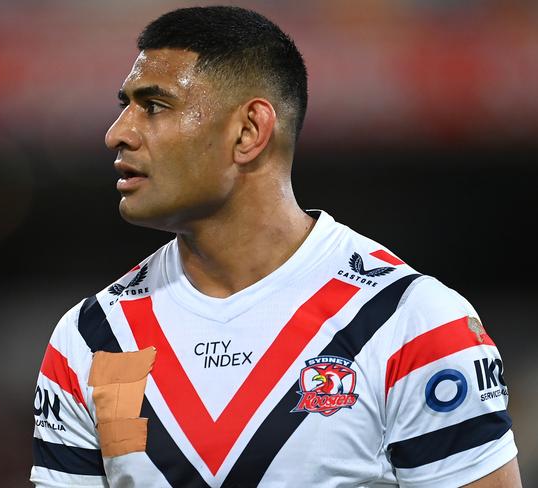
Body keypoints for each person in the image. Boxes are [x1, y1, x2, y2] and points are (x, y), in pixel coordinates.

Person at [30, 6, 521, 487]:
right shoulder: (90, 339)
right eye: (125, 106)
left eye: (154, 106)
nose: (118, 133)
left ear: (248, 132)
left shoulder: (409, 324)